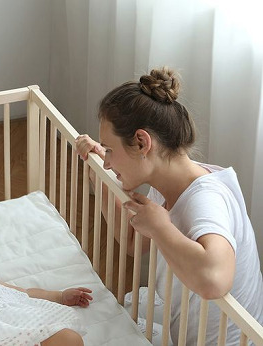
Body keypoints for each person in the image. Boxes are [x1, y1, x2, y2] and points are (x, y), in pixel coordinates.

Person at [75, 66, 263, 345]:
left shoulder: (205, 199)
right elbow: (133, 241)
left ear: (141, 143)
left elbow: (215, 278)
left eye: (110, 150)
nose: (108, 162)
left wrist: (162, 226)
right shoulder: (168, 181)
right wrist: (99, 176)